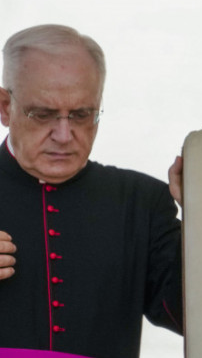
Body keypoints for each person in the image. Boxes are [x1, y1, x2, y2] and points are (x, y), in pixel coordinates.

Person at [0, 24, 184, 358]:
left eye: (82, 115)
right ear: (3, 106)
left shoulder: (142, 203)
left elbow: (196, 318)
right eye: (43, 114)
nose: (64, 134)